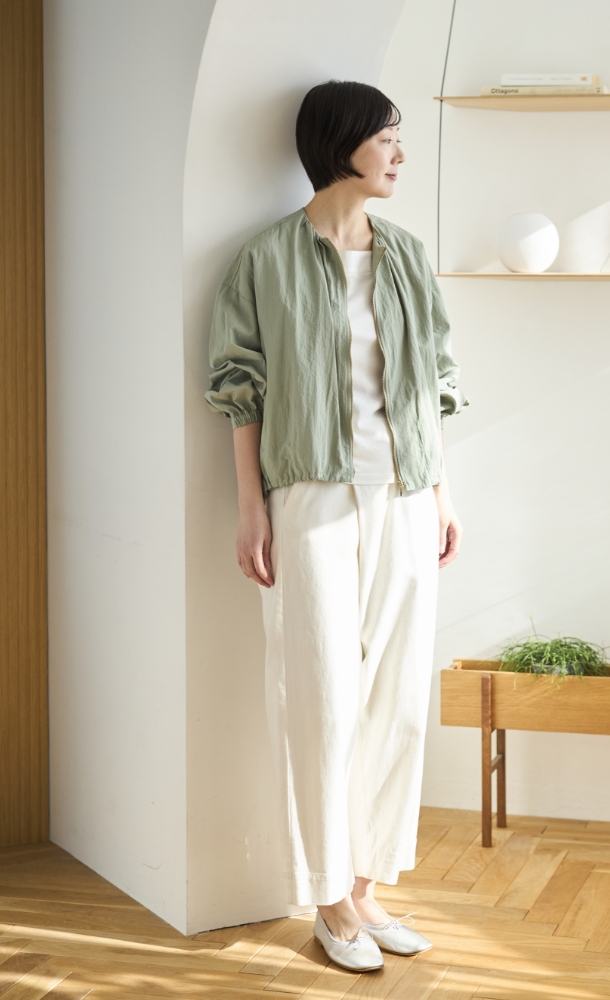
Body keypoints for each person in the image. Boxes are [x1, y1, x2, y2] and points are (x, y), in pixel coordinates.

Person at [205, 80, 468, 973]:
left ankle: (366, 886)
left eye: (399, 137)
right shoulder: (266, 259)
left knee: (397, 698)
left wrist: (442, 494)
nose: (399, 153)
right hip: (310, 493)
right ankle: (326, 899)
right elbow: (238, 389)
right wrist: (252, 507)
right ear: (340, 142)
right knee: (319, 694)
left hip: (406, 492)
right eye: (386, 137)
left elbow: (435, 381)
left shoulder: (407, 256)